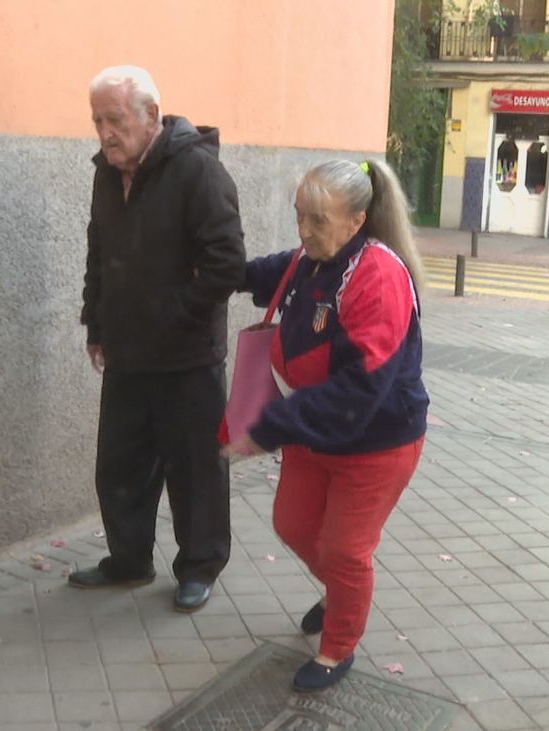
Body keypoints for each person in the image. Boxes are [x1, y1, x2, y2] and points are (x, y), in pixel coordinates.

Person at [223, 158, 430, 692]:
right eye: (299, 215)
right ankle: (342, 591)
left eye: (318, 219)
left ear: (357, 221)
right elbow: (263, 273)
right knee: (292, 524)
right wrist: (214, 269)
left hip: (377, 442)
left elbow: (359, 388)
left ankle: (338, 646)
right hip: (316, 431)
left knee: (344, 549)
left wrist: (270, 426)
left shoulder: (378, 276)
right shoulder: (311, 259)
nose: (304, 231)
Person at [71, 65, 246, 613]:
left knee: (194, 471)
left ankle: (199, 566)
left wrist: (170, 315)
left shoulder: (198, 171)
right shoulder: (107, 174)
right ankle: (129, 560)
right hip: (127, 354)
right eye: (97, 122)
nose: (105, 134)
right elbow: (99, 253)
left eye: (114, 120)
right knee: (119, 466)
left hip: (186, 357)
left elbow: (225, 265)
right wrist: (96, 324)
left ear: (150, 115)